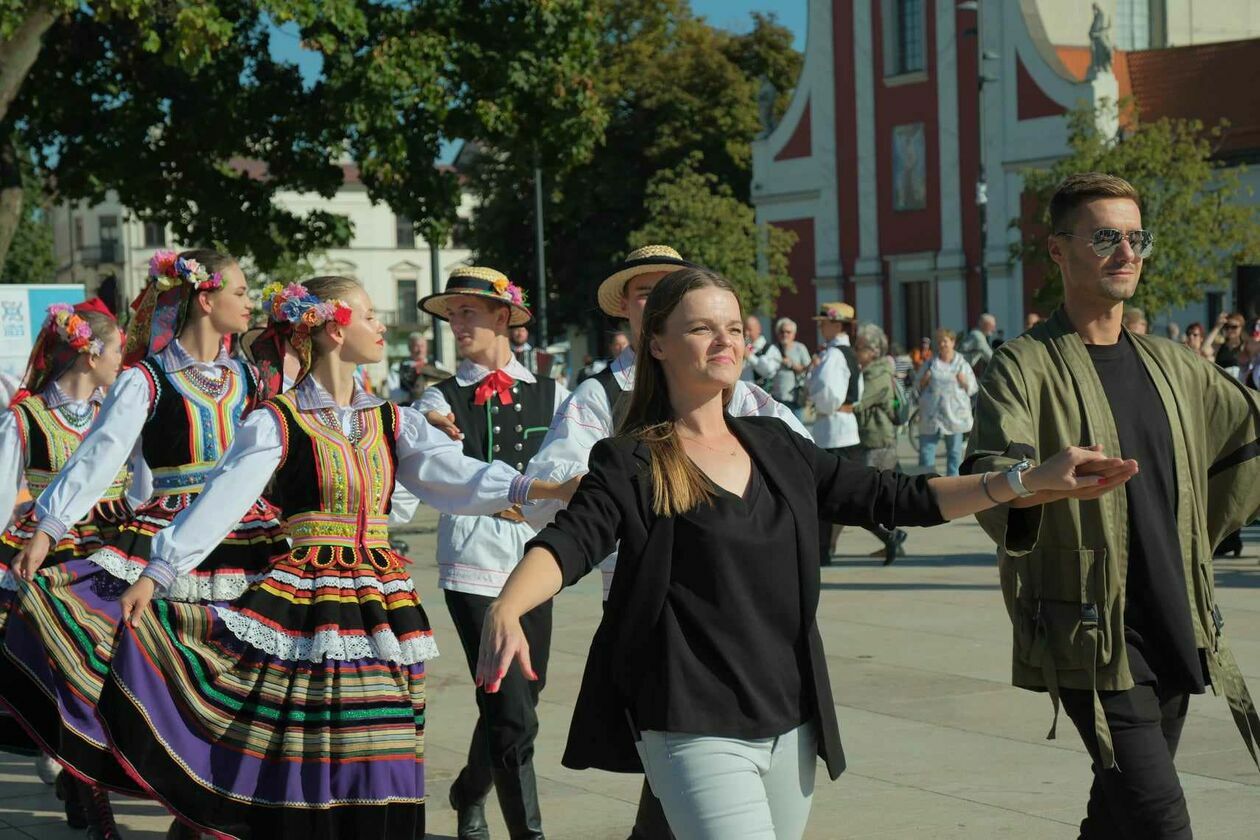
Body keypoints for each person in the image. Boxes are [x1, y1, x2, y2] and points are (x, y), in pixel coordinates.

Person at [477, 267, 1128, 840]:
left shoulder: (777, 444)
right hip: (690, 716)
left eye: (733, 327)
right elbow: (571, 542)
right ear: (657, 342)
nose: (725, 340)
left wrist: (1025, 482)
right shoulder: (634, 460)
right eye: (703, 328)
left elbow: (898, 497)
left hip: (790, 717)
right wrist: (509, 606)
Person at [93, 276, 578, 840]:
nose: (380, 327)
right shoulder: (277, 420)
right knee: (318, 745)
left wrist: (540, 490)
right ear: (332, 327)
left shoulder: (393, 420)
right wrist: (159, 569)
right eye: (370, 315)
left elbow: (456, 476)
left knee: (388, 743)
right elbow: (219, 502)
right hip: (309, 602)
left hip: (381, 601)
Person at [965, 172, 1260, 840]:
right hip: (1092, 633)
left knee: (1119, 813)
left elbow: (1249, 440)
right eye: (1105, 237)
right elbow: (992, 482)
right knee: (1161, 819)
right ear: (1059, 251)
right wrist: (1039, 478)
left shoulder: (1175, 365)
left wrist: (1193, 540)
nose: (1126, 251)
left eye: (1135, 237)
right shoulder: (1023, 367)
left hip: (1178, 618)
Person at [0, 249, 290, 839]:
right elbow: (101, 452)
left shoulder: (254, 377)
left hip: (251, 540)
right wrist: (50, 525)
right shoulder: (145, 378)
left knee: (244, 676)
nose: (249, 300)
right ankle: (118, 779)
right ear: (205, 299)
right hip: (168, 536)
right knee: (143, 665)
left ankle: (207, 809)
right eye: (239, 289)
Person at [523, 244, 808, 840]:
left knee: (682, 784)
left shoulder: (746, 398)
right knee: (685, 756)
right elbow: (553, 495)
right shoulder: (600, 397)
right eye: (644, 291)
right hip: (655, 610)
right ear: (631, 313)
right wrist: (617, 494)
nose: (655, 298)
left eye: (668, 288)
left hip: (744, 612)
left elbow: (812, 473)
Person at [414, 266, 569, 839]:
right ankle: (529, 833)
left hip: (536, 561)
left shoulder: (555, 395)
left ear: (504, 317)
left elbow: (573, 466)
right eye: (452, 313)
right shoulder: (439, 398)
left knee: (526, 695)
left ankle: (468, 789)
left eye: (468, 312)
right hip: (472, 561)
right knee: (507, 704)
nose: (456, 324)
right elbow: (440, 466)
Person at [0, 301, 140, 824]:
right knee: (68, 668)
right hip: (52, 553)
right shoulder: (26, 417)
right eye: (119, 351)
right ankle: (76, 775)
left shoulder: (120, 412)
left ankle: (89, 773)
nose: (124, 363)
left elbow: (142, 486)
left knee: (117, 665)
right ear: (90, 353)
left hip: (114, 547)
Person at [806, 302, 862, 565]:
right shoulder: (847, 353)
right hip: (844, 426)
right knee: (835, 493)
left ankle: (888, 535)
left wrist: (814, 393)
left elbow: (827, 393)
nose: (820, 327)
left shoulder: (834, 355)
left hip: (833, 429)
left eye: (824, 322)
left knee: (835, 493)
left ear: (837, 325)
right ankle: (823, 550)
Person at [850, 323, 908, 565]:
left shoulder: (878, 375)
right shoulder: (871, 371)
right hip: (871, 440)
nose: (855, 351)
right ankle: (893, 538)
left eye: (859, 348)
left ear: (873, 351)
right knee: (883, 497)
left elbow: (858, 402)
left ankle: (891, 536)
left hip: (877, 443)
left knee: (860, 499)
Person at [916, 328, 977, 477]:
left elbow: (973, 388)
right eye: (940, 342)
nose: (942, 344)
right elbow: (917, 385)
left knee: (955, 455)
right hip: (932, 415)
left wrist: (964, 382)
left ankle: (952, 488)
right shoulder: (930, 363)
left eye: (945, 341)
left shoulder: (961, 363)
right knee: (926, 453)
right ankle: (926, 485)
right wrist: (924, 380)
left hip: (954, 415)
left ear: (953, 342)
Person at [761, 317, 811, 419]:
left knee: (796, 432)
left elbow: (809, 369)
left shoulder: (800, 348)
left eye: (788, 332)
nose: (785, 334)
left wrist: (792, 365)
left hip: (795, 399)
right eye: (782, 332)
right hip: (776, 399)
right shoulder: (773, 349)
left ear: (794, 334)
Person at [389, 331, 448, 402]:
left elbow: (447, 388)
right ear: (409, 348)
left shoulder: (437, 366)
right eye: (416, 346)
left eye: (422, 346)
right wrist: (413, 393)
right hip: (407, 409)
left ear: (426, 347)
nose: (420, 350)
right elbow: (394, 395)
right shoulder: (397, 368)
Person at [740, 314, 774, 385]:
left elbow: (768, 372)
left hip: (758, 392)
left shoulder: (769, 348)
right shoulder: (744, 346)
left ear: (759, 329)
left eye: (749, 329)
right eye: (744, 329)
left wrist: (749, 356)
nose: (746, 333)